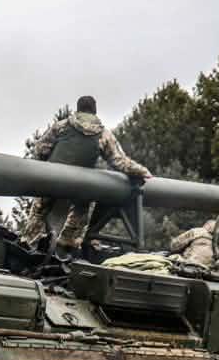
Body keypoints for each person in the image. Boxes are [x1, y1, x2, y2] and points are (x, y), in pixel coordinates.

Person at [21, 95, 150, 256]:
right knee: (81, 211)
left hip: (52, 180)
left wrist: (44, 167)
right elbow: (119, 161)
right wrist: (141, 171)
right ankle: (66, 246)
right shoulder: (103, 134)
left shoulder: (62, 126)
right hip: (80, 186)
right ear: (95, 111)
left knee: (38, 214)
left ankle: (27, 247)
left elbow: (41, 149)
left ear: (78, 109)